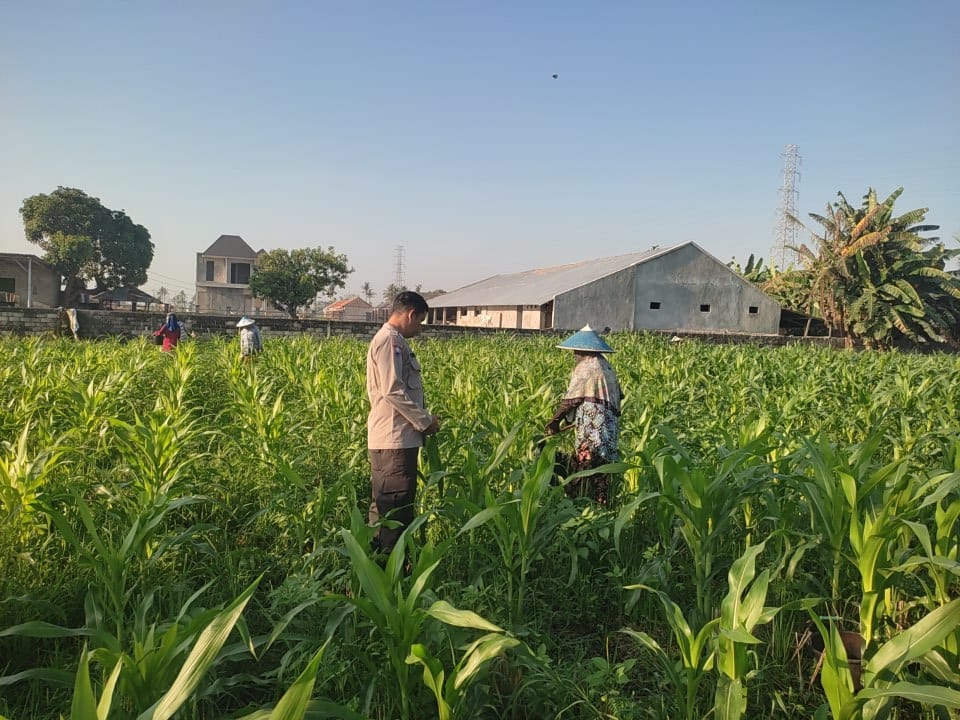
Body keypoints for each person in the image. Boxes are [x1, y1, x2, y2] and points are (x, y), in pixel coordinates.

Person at [366, 291, 440, 553]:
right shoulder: (390, 341)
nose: (419, 328)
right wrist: (425, 421)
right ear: (411, 315)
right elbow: (393, 390)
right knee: (395, 510)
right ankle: (391, 569)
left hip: (393, 439)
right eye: (419, 321)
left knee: (385, 506)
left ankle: (377, 565)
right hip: (394, 440)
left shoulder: (390, 340)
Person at [544, 324, 622, 505]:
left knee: (587, 459)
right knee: (603, 463)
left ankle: (583, 501)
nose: (574, 355)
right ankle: (602, 502)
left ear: (582, 350)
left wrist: (554, 422)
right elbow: (619, 396)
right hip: (609, 424)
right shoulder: (606, 366)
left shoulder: (586, 366)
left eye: (576, 352)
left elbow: (571, 399)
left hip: (591, 423)